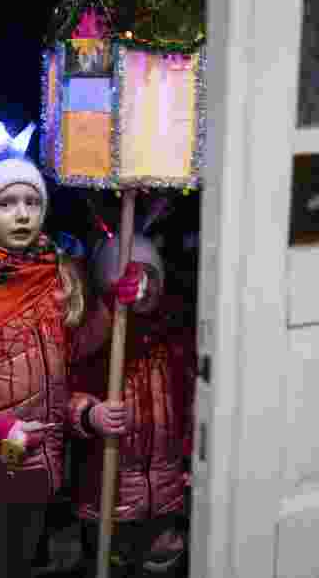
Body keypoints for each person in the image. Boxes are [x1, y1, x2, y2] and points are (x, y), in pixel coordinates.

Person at [0, 122, 135, 578]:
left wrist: (114, 304)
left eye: (32, 202)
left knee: (22, 560)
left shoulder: (49, 272)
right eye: (6, 203)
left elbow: (67, 356)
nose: (22, 214)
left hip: (39, 459)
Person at [68, 233, 197, 577]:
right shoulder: (96, 343)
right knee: (109, 560)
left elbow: (190, 401)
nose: (144, 290)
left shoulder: (171, 338)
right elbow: (64, 392)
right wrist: (88, 414)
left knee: (161, 559)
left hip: (166, 485)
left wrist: (191, 454)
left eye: (151, 279)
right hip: (107, 489)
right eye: (133, 281)